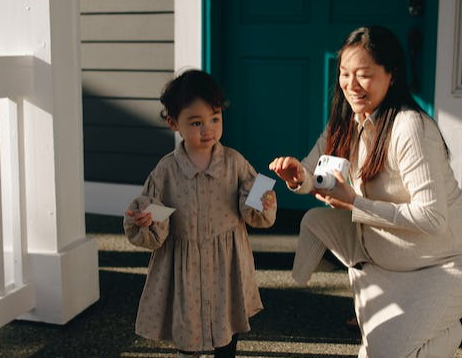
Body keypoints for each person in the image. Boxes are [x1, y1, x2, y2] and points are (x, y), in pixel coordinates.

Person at [269, 26, 462, 358]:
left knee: (383, 355)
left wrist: (354, 202)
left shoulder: (410, 128)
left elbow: (432, 218)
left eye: (364, 75)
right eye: (345, 74)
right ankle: (355, 277)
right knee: (315, 220)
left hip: (436, 263)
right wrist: (296, 176)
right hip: (380, 252)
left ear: (392, 75)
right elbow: (312, 171)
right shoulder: (346, 120)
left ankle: (455, 328)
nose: (351, 85)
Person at [123, 69, 277, 358]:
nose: (208, 129)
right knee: (188, 325)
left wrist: (262, 203)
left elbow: (254, 207)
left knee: (227, 326)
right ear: (173, 123)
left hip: (227, 263)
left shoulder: (235, 163)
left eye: (215, 118)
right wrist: (145, 221)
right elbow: (151, 215)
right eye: (196, 122)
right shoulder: (166, 171)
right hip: (184, 268)